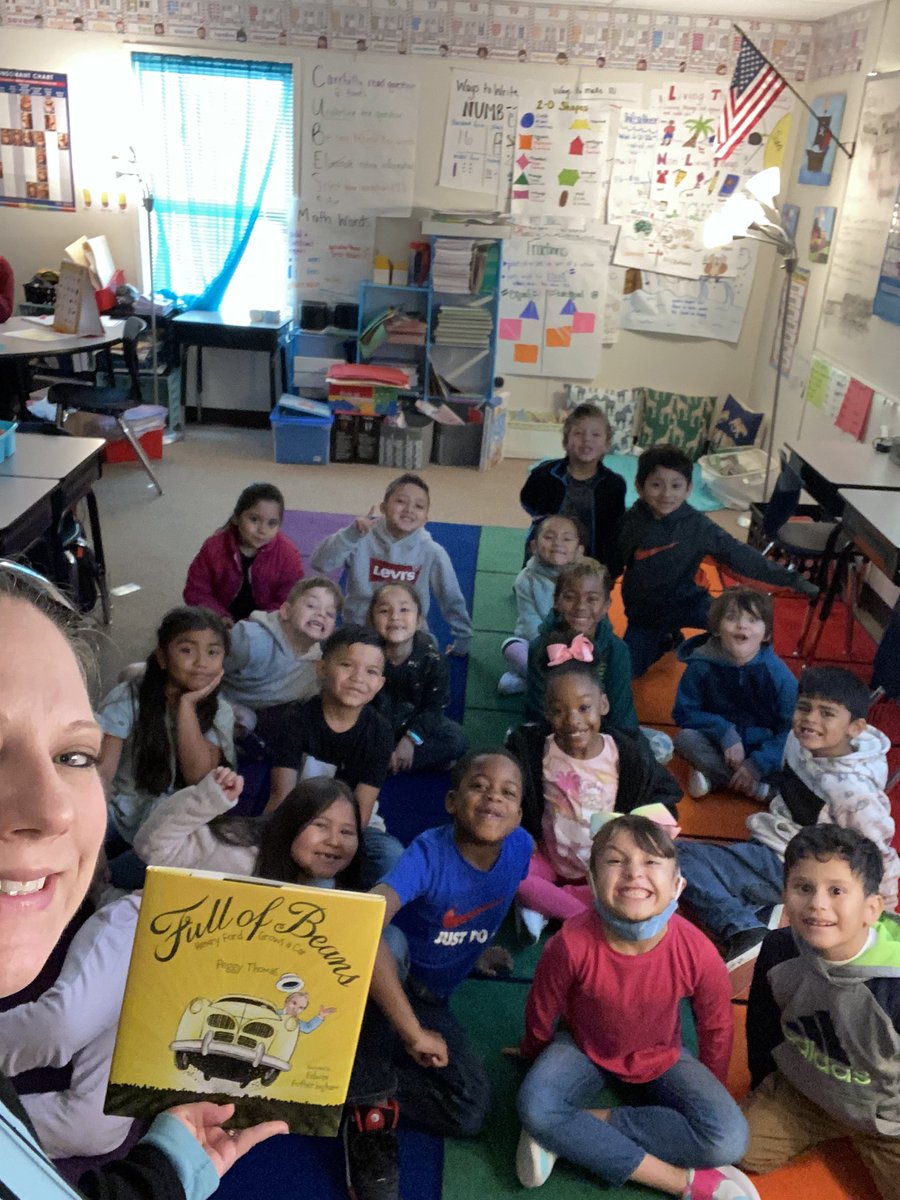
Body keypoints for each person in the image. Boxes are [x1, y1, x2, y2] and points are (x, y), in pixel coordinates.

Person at [0, 567, 286, 1200]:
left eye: (65, 755)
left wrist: (167, 1170)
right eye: (323, 826)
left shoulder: (307, 896)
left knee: (98, 1131)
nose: (51, 809)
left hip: (179, 991)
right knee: (64, 1021)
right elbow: (158, 842)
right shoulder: (238, 836)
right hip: (141, 912)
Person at [509, 814, 757, 1199]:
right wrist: (532, 1053)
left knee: (729, 1139)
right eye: (615, 861)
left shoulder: (696, 950)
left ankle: (574, 1129)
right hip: (583, 1047)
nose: (633, 873)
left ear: (677, 886)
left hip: (662, 1055)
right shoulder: (571, 943)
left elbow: (716, 1026)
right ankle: (681, 1183)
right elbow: (542, 1007)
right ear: (591, 881)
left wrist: (712, 1093)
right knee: (536, 1107)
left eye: (651, 862)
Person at [342, 750, 532, 1200]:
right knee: (388, 941)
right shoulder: (427, 854)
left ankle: (351, 1082)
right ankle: (367, 1104)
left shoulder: (521, 847)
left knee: (470, 1111)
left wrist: (476, 949)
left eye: (508, 792)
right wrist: (412, 1034)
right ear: (451, 801)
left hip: (432, 998)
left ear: (520, 813)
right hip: (385, 989)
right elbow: (366, 929)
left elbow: (479, 903)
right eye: (479, 785)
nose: (493, 798)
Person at [677, 667, 898, 975]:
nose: (810, 719)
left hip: (787, 863)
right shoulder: (799, 740)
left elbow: (880, 854)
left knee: (674, 859)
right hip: (772, 843)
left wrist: (881, 919)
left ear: (855, 727)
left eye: (827, 713)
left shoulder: (852, 793)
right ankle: (774, 914)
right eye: (804, 708)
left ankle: (746, 929)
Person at [741, 825, 900, 1199]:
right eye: (803, 888)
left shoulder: (893, 985)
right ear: (785, 895)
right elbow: (762, 1025)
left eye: (837, 891)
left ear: (871, 908)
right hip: (806, 1095)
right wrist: (761, 1081)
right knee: (738, 1148)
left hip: (888, 1120)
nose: (817, 904)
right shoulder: (780, 949)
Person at [609, 445, 818, 678]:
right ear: (639, 487)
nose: (666, 494)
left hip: (689, 602)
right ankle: (666, 639)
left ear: (689, 488)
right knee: (623, 675)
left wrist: (794, 580)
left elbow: (741, 556)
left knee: (742, 633)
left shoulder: (698, 526)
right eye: (656, 485)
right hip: (646, 615)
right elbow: (610, 564)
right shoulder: (630, 522)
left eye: (676, 485)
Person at [507, 662, 681, 935]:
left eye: (584, 708)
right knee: (510, 872)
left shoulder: (628, 754)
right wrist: (520, 833)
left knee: (642, 890)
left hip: (602, 868)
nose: (572, 720)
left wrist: (652, 826)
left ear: (603, 705)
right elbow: (509, 793)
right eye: (558, 711)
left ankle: (545, 905)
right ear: (546, 713)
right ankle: (582, 914)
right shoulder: (534, 752)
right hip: (549, 858)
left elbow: (664, 796)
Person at [97, 607, 235, 884]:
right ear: (162, 657)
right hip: (121, 811)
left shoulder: (220, 711)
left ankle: (115, 878)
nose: (201, 663)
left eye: (212, 652)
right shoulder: (128, 699)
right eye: (187, 650)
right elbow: (102, 777)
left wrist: (187, 705)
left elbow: (199, 777)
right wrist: (94, 844)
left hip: (174, 821)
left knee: (207, 854)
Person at [261, 625, 401, 888]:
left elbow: (362, 808)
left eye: (371, 671)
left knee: (392, 858)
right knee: (314, 879)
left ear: (380, 683)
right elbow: (281, 795)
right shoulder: (295, 719)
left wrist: (338, 851)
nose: (358, 678)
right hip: (299, 819)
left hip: (354, 827)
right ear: (321, 668)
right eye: (347, 665)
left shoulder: (379, 731)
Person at [310, 473, 472, 655]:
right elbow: (320, 563)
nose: (409, 509)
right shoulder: (360, 538)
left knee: (428, 652)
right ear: (384, 507)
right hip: (361, 628)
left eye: (419, 506)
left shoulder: (432, 552)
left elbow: (450, 596)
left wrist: (463, 637)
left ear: (426, 517)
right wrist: (350, 535)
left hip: (405, 632)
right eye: (401, 501)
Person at [135, 768, 361, 889]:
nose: (334, 841)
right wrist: (206, 799)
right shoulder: (236, 851)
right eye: (321, 825)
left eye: (347, 832)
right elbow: (152, 848)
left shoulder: (335, 896)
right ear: (291, 823)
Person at [673, 588, 798, 801]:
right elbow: (684, 712)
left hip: (764, 748)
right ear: (716, 629)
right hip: (720, 746)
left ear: (766, 634)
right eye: (732, 618)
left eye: (753, 620)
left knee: (801, 755)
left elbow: (791, 730)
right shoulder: (700, 667)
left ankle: (715, 778)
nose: (742, 625)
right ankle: (757, 790)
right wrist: (724, 732)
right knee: (685, 739)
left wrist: (757, 764)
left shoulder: (779, 675)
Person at [366, 583, 468, 774]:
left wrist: (410, 740)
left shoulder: (433, 659)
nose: (395, 617)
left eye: (404, 609)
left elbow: (434, 709)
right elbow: (359, 705)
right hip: (373, 726)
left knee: (457, 739)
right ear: (371, 621)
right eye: (384, 611)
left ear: (419, 620)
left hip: (412, 724)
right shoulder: (365, 655)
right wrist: (380, 742)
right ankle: (388, 761)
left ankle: (385, 763)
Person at [519, 403, 626, 569]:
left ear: (607, 443)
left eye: (595, 434)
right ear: (565, 442)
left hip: (589, 560)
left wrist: (610, 568)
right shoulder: (545, 474)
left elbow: (613, 529)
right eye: (578, 433)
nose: (587, 439)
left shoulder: (613, 485)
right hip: (547, 555)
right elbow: (528, 499)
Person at [183, 483, 304, 625]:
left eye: (272, 523)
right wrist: (219, 616)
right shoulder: (214, 547)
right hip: (217, 619)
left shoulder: (287, 553)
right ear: (236, 517)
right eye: (254, 519)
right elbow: (196, 590)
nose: (262, 530)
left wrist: (258, 623)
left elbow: (290, 598)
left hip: (266, 624)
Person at [221, 576, 342, 715]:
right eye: (311, 605)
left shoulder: (318, 667)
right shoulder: (251, 639)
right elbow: (203, 674)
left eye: (330, 614)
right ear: (285, 611)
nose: (321, 614)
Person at [498, 514, 584, 697]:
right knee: (511, 646)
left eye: (567, 539)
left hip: (575, 647)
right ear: (534, 547)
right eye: (549, 537)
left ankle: (542, 681)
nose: (557, 544)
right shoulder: (526, 579)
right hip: (538, 646)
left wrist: (570, 651)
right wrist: (552, 653)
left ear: (579, 551)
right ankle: (546, 680)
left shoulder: (584, 580)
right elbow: (530, 624)